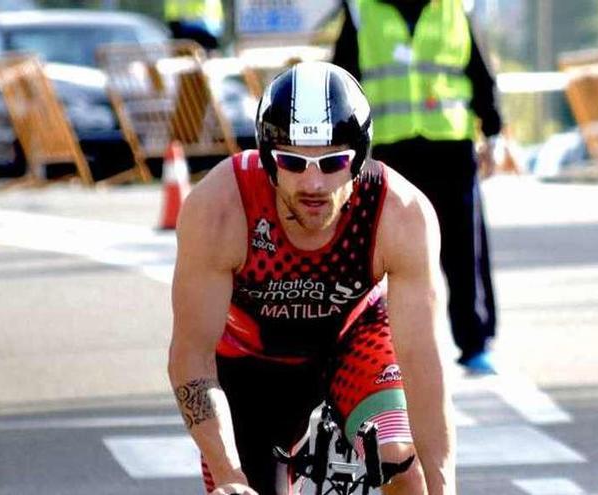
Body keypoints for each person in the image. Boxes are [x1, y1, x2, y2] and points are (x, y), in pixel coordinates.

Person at [168, 61, 456, 495]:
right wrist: (228, 474)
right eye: (293, 163)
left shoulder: (401, 213)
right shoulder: (220, 207)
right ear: (268, 157)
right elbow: (191, 358)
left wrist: (443, 486)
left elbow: (423, 363)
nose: (314, 184)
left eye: (333, 162)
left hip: (353, 339)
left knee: (401, 462)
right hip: (250, 364)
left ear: (359, 157)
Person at [332, 0, 502, 374]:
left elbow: (479, 69)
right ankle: (378, 344)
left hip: (450, 145)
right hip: (390, 150)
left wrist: (493, 130)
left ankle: (475, 343)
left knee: (463, 248)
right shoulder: (361, 9)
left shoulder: (458, 6)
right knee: (383, 251)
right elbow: (343, 80)